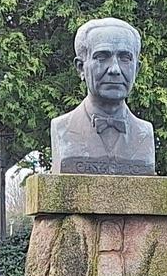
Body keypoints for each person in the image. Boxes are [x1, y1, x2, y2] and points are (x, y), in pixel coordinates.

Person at [50, 17, 155, 175]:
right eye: (102, 57)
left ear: (137, 69)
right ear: (80, 68)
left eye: (125, 58)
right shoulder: (62, 129)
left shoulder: (145, 133)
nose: (115, 69)